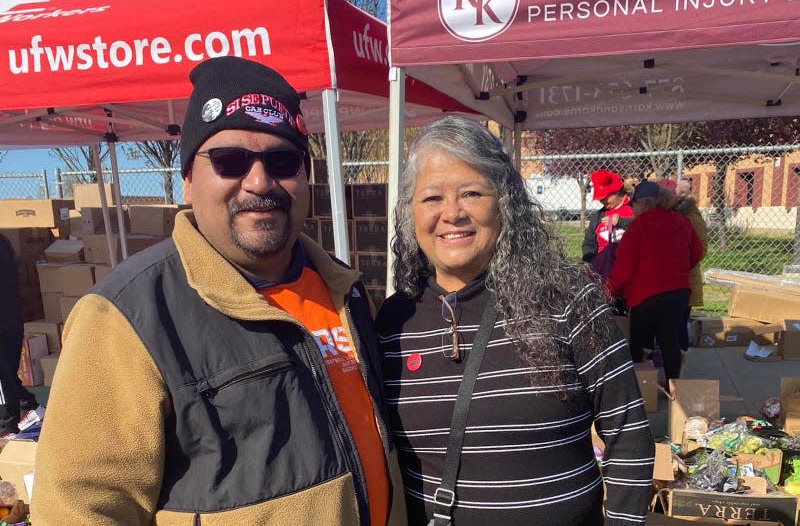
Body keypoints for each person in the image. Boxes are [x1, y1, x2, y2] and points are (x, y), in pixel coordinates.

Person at [32, 57, 406, 525]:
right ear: (188, 180)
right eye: (229, 162)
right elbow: (79, 509)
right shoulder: (128, 316)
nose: (259, 182)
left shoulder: (343, 289)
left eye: (282, 161)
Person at [377, 116, 654, 526]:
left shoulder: (566, 300)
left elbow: (628, 435)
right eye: (432, 198)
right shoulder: (393, 322)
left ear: (504, 202)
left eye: (471, 193)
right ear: (409, 213)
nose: (452, 213)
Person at [607, 181, 703, 382]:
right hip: (677, 292)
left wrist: (608, 290)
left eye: (633, 204)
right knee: (670, 340)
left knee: (639, 342)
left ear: (643, 203)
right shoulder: (681, 221)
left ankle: (637, 388)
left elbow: (624, 267)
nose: (631, 208)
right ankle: (673, 387)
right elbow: (696, 253)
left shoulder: (638, 227)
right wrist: (677, 271)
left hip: (646, 295)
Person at [657, 178, 709, 351]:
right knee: (668, 327)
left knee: (677, 327)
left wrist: (674, 267)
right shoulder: (670, 216)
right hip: (669, 282)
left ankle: (679, 370)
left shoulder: (690, 218)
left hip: (683, 281)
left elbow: (699, 251)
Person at [0, 233, 38, 435]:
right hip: (11, 315)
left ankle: (8, 423)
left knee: (3, 374)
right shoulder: (4, 241)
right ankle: (26, 404)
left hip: (6, 317)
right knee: (6, 371)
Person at [581, 169, 634, 264]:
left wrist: (620, 222)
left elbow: (646, 229)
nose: (602, 201)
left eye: (606, 197)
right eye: (600, 199)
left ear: (617, 191)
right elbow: (588, 243)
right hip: (604, 267)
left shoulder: (635, 208)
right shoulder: (598, 216)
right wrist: (592, 262)